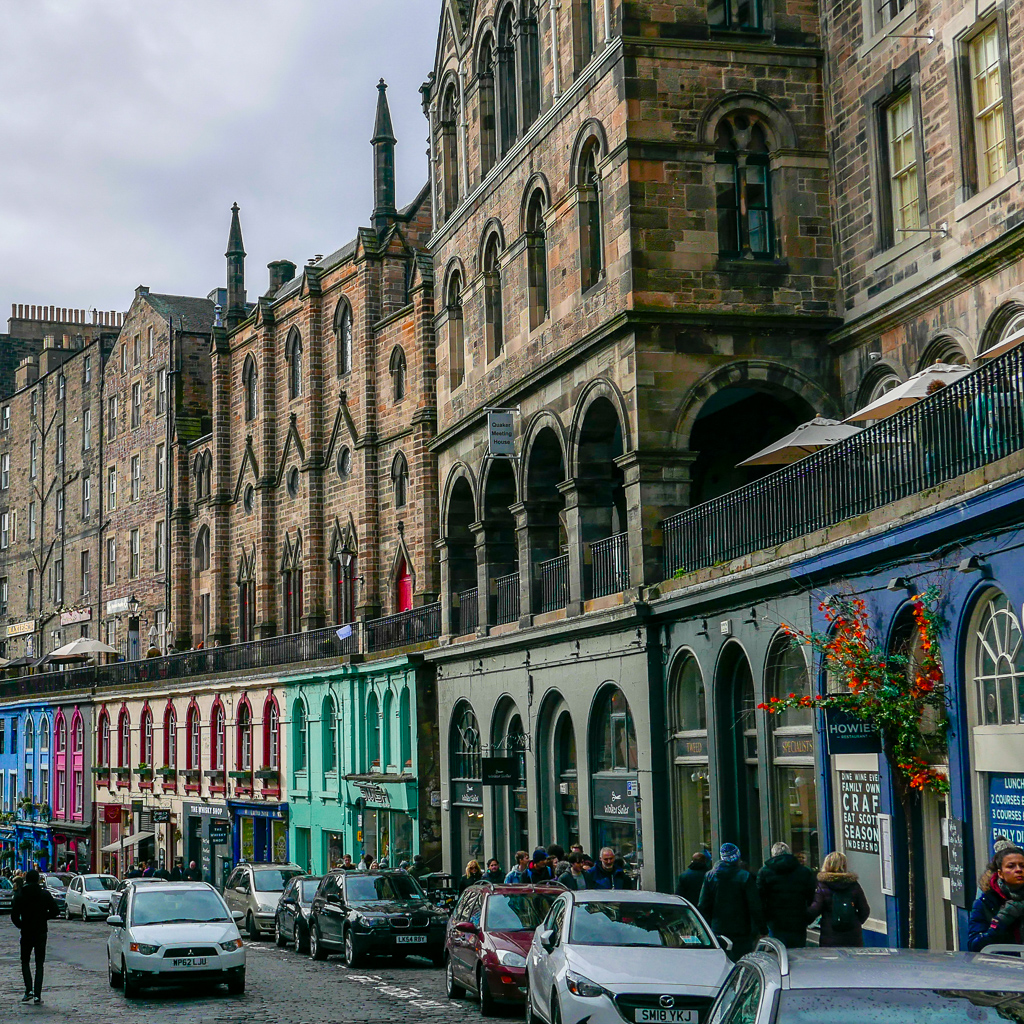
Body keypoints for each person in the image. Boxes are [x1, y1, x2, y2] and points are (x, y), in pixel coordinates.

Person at [698, 844, 766, 962]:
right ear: (737, 858)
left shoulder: (710, 876)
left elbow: (703, 904)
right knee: (742, 962)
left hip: (718, 927)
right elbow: (754, 905)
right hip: (741, 929)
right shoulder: (744, 876)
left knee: (721, 961)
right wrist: (762, 929)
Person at [757, 842, 817, 948]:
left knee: (778, 954)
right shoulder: (804, 871)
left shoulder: (764, 872)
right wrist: (807, 917)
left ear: (773, 854)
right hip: (798, 921)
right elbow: (811, 896)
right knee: (798, 954)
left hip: (775, 922)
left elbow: (759, 900)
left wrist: (764, 922)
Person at [11, 868, 58, 1004]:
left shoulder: (20, 895)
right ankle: (37, 994)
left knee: (25, 961)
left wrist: (21, 925)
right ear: (38, 879)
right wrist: (44, 917)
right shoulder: (44, 894)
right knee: (39, 964)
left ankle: (28, 990)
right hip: (40, 931)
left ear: (26, 879)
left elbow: (14, 915)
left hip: (26, 931)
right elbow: (55, 910)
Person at [807, 851, 870, 948]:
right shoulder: (853, 885)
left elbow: (815, 910)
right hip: (853, 937)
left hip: (830, 936)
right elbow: (865, 910)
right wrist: (854, 923)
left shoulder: (823, 886)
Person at [969, 845, 1024, 951]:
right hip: (1000, 965)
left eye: (1022, 866)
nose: (1018, 870)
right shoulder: (986, 903)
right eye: (1011, 866)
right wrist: (1000, 921)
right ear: (1000, 874)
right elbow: (974, 945)